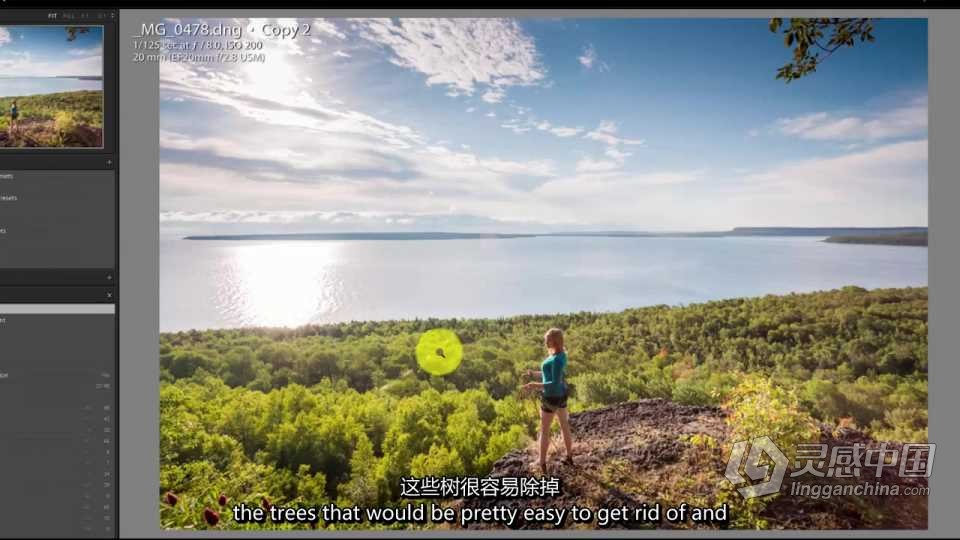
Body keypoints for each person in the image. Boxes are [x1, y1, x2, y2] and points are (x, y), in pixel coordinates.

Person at [522, 327, 574, 475]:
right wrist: (533, 373)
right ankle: (569, 457)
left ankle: (542, 462)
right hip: (561, 396)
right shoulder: (560, 355)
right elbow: (547, 374)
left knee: (545, 430)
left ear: (555, 341)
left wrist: (533, 385)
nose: (545, 342)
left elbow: (553, 382)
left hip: (551, 397)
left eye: (548, 339)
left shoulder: (557, 359)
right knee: (564, 425)